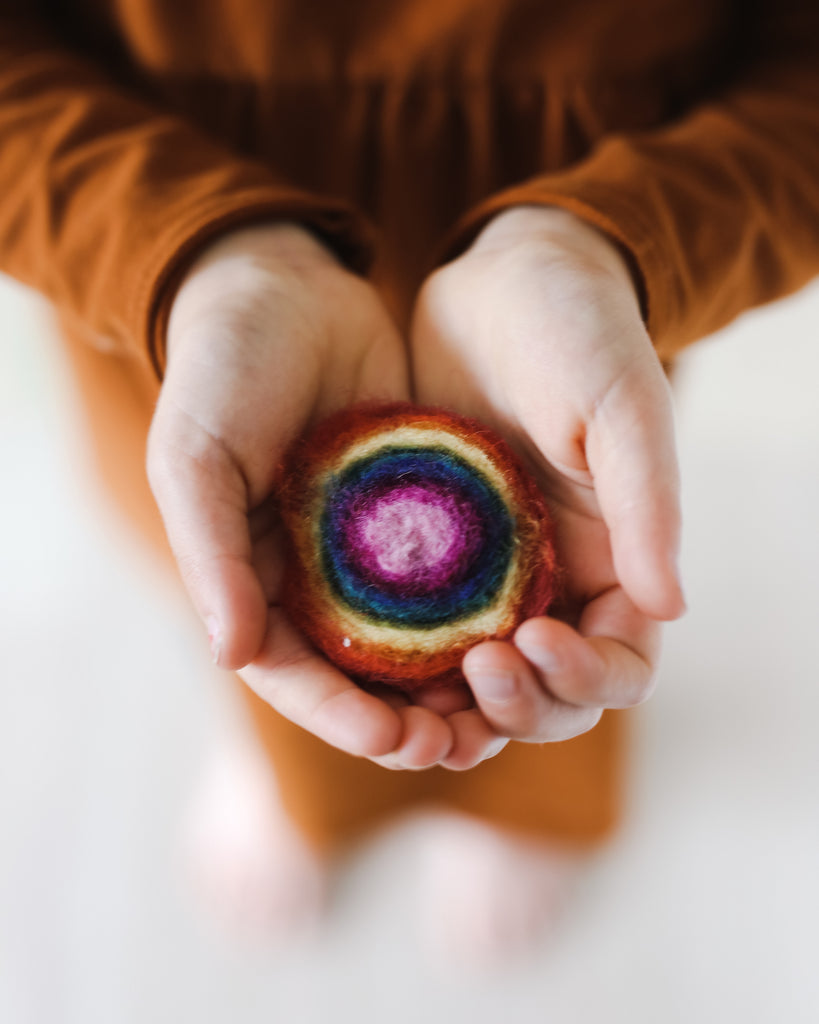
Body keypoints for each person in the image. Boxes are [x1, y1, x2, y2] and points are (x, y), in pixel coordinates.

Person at [1, 0, 817, 959]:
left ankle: (520, 806)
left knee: (569, 607)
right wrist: (196, 255)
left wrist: (608, 239)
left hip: (571, 311)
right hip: (182, 294)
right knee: (242, 587)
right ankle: (296, 775)